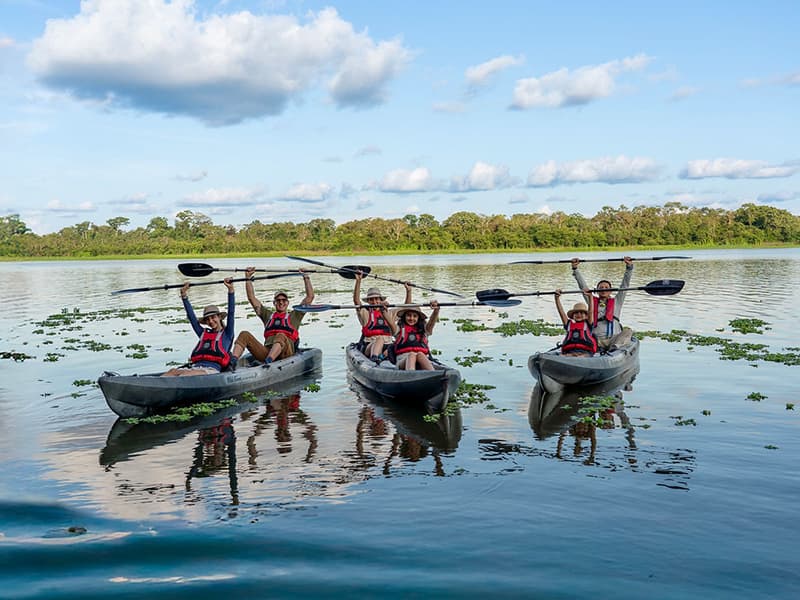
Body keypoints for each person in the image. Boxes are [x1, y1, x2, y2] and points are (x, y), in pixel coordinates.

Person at [230, 267, 314, 365]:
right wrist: (248, 278)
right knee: (244, 334)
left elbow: (309, 297)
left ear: (287, 303)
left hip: (286, 353)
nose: (281, 302)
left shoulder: (295, 315)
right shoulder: (268, 315)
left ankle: (268, 362)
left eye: (284, 300)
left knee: (281, 335)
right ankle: (233, 362)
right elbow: (252, 298)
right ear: (274, 303)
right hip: (266, 351)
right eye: (278, 300)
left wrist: (306, 277)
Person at [161, 278, 236, 376]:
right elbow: (192, 318)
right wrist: (184, 295)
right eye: (207, 319)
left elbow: (231, 312)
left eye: (213, 317)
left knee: (185, 375)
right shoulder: (203, 333)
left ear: (219, 317)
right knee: (172, 371)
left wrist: (230, 290)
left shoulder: (227, 333)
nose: (210, 321)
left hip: (211, 371)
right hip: (195, 368)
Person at [571, 256, 634, 350]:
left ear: (611, 291)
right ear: (597, 290)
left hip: (614, 339)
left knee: (628, 331)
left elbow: (625, 284)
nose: (604, 289)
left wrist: (629, 268)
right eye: (601, 288)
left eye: (606, 287)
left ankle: (614, 349)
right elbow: (583, 287)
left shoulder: (617, 301)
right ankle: (598, 349)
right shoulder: (591, 301)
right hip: (597, 340)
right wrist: (575, 269)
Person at [352, 271, 412, 362]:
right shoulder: (365, 313)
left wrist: (409, 291)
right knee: (379, 339)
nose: (375, 302)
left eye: (377, 299)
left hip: (388, 345)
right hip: (370, 345)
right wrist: (358, 281)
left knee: (398, 344)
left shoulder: (389, 313)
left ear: (381, 300)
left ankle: (382, 358)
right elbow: (356, 301)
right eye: (371, 300)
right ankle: (374, 359)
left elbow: (406, 307)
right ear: (368, 302)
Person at [393, 301, 440, 370]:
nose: (411, 318)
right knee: (412, 354)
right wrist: (383, 311)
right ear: (404, 316)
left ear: (418, 318)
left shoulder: (424, 329)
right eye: (409, 315)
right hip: (403, 360)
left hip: (421, 358)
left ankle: (433, 373)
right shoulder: (399, 329)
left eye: (415, 316)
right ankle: (411, 374)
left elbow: (431, 322)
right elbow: (391, 325)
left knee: (420, 354)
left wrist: (436, 310)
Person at [554, 290, 597, 356]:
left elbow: (591, 311)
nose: (579, 314)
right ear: (573, 316)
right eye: (576, 313)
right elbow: (561, 312)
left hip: (585, 352)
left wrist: (590, 297)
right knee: (563, 356)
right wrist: (557, 298)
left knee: (581, 357)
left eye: (581, 313)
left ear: (586, 316)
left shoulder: (588, 324)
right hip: (569, 351)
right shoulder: (568, 324)